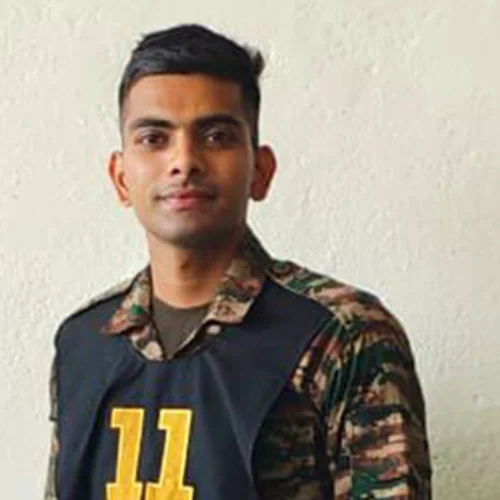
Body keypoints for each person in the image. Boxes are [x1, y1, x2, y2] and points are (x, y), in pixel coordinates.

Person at [45, 24, 431, 500]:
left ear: (260, 171)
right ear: (121, 178)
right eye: (154, 138)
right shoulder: (83, 342)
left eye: (216, 135)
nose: (184, 161)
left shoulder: (342, 335)